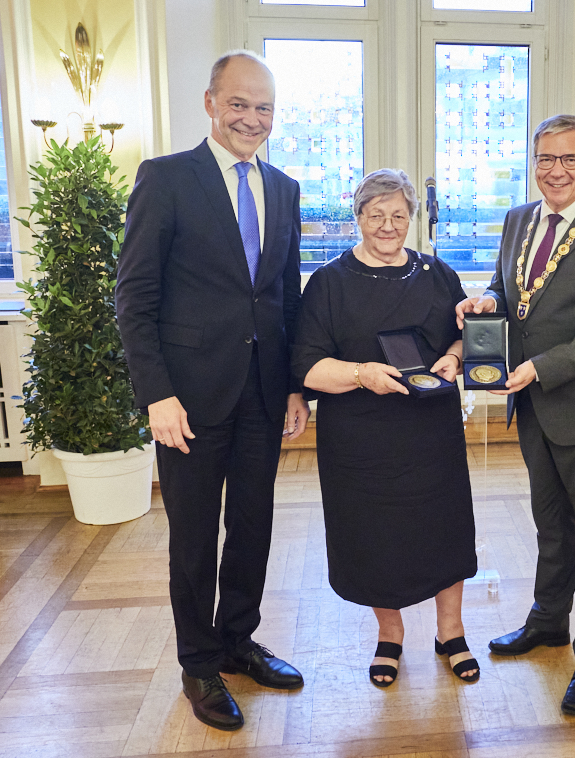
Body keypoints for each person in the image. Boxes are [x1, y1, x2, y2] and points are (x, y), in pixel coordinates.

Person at [116, 51, 309, 731]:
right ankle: (198, 663)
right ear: (210, 103)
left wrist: (295, 388)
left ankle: (237, 641)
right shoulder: (167, 179)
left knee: (254, 527)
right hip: (188, 401)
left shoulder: (284, 188)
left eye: (264, 107)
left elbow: (285, 296)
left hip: (263, 394)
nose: (252, 118)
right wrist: (156, 395)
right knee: (194, 537)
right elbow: (134, 297)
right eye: (239, 104)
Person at [457, 115, 575, 715]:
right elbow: (509, 288)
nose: (556, 170)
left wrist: (539, 367)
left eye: (569, 159)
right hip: (537, 408)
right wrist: (488, 299)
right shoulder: (519, 219)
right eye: (546, 159)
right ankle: (548, 621)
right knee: (551, 526)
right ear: (534, 163)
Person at [292, 169, 479, 688]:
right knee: (373, 536)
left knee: (445, 530)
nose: (388, 225)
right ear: (358, 217)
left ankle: (451, 631)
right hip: (360, 437)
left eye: (399, 215)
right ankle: (389, 634)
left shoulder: (438, 274)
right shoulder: (329, 283)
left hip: (431, 433)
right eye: (376, 215)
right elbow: (307, 366)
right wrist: (361, 374)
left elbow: (463, 338)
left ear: (412, 218)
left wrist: (454, 356)